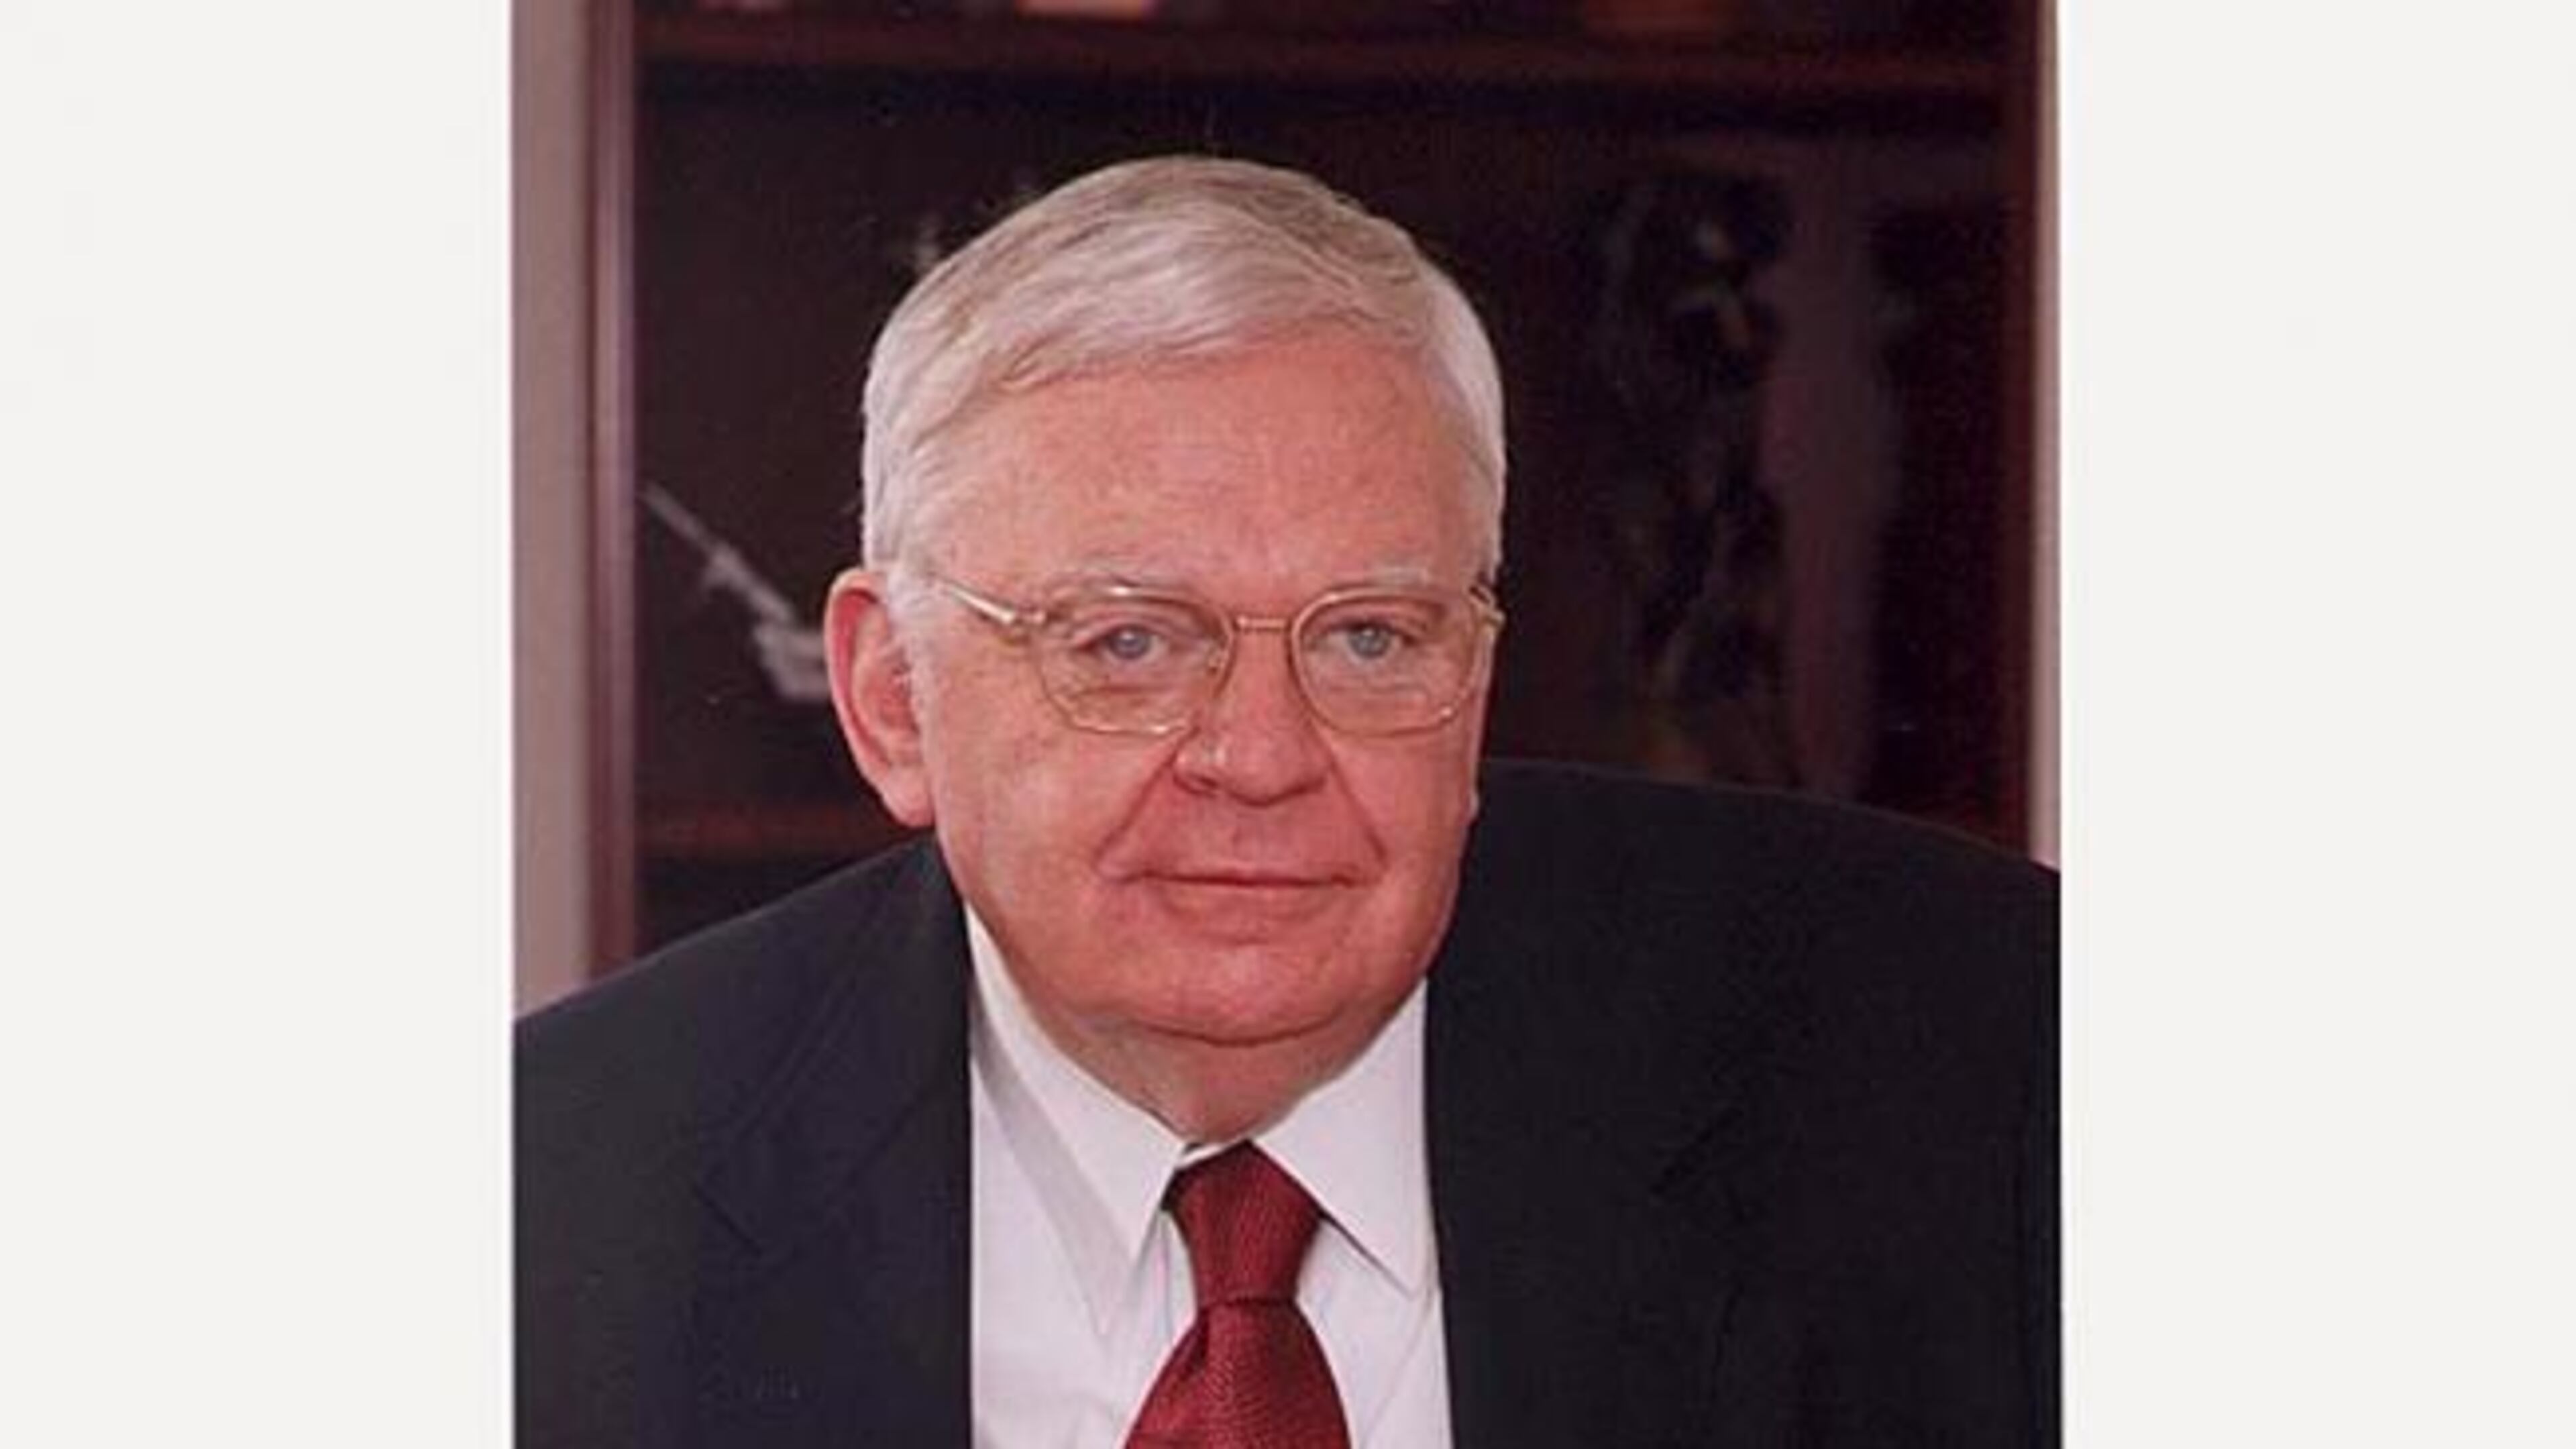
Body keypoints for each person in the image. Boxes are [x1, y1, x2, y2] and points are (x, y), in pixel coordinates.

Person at [517, 156, 2057, 1448]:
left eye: (1371, 637)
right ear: (894, 698)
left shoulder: (1993, 1082)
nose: (1261, 756)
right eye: (1128, 642)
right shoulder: (545, 1213)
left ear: (1478, 672)